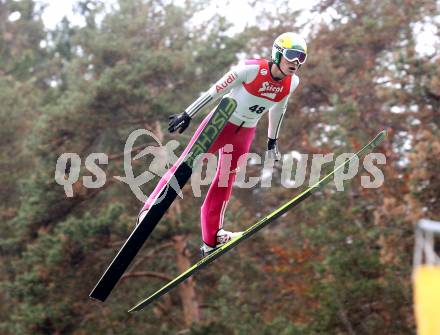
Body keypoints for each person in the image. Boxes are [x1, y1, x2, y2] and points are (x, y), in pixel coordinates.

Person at [140, 32, 307, 256]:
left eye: (301, 58)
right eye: (292, 55)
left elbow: (279, 109)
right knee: (185, 166)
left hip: (245, 133)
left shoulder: (292, 82)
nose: (296, 62)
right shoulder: (250, 69)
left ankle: (212, 238)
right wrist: (188, 113)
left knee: (225, 181)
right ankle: (149, 208)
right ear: (278, 53)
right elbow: (215, 90)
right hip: (220, 124)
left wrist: (272, 141)